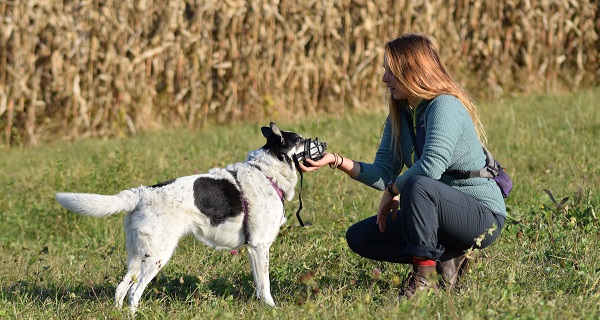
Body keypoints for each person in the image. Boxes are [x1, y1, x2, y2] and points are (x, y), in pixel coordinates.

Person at [300, 33, 506, 298]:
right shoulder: (401, 113)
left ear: (415, 71)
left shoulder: (445, 106)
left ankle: (424, 279)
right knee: (361, 237)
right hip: (436, 214)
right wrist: (336, 160)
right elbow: (383, 172)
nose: (385, 78)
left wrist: (393, 191)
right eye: (385, 71)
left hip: (481, 216)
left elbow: (431, 167)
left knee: (419, 184)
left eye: (392, 71)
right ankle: (448, 259)